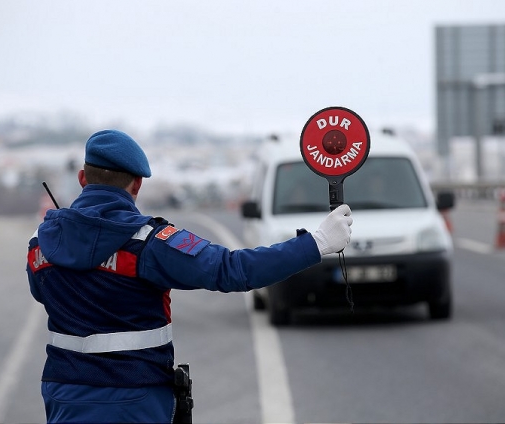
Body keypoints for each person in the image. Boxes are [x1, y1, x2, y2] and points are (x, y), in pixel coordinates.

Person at [26, 129, 353, 423]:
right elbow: (232, 270)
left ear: (83, 178)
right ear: (137, 184)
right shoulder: (150, 243)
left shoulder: (42, 244)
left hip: (61, 394)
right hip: (133, 398)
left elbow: (43, 293)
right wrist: (317, 242)